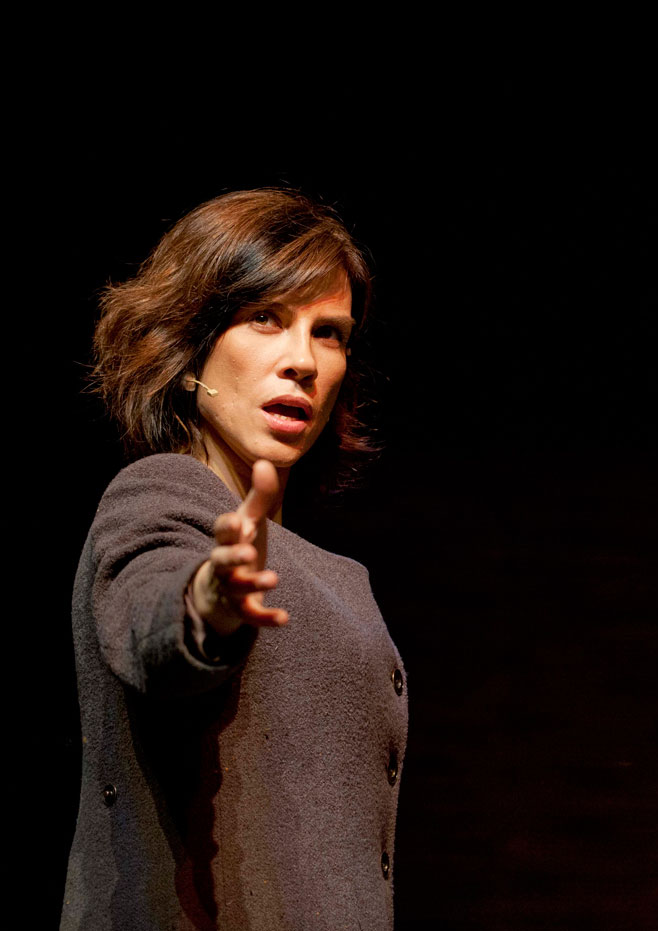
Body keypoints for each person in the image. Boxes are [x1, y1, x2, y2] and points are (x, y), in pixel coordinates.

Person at [62, 190, 407, 930]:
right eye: (266, 318)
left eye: (329, 333)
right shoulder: (160, 492)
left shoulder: (331, 573)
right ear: (191, 347)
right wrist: (208, 603)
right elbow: (151, 613)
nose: (303, 361)